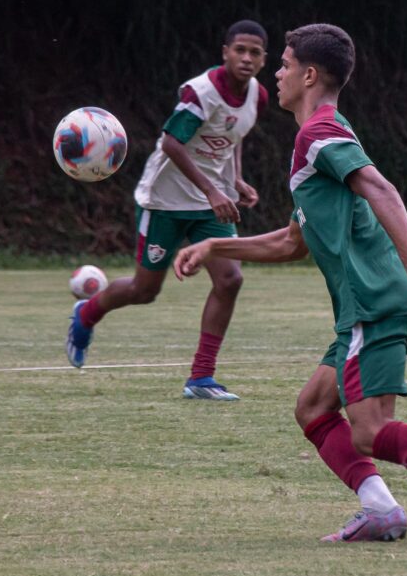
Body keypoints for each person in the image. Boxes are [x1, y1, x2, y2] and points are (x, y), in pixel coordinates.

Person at [173, 24, 407, 551]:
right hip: (363, 307)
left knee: (369, 430)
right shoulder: (317, 139)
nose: (277, 73)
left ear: (309, 74)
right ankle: (380, 509)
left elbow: (380, 186)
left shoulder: (319, 132)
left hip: (377, 299)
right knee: (314, 409)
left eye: (285, 63)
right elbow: (291, 244)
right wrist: (214, 247)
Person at [66, 20, 269, 401]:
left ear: (263, 59)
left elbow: (232, 138)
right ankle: (87, 314)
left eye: (254, 52)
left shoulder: (257, 96)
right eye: (239, 49)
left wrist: (236, 180)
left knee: (230, 280)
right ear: (224, 51)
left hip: (211, 205)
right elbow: (172, 144)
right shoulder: (201, 93)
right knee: (145, 291)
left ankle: (201, 378)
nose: (246, 57)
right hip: (167, 201)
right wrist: (212, 190)